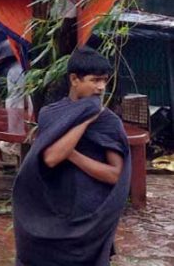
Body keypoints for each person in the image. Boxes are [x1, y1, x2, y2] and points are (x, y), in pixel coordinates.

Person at [12, 46, 131, 266]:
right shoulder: (51, 113)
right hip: (52, 209)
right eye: (95, 80)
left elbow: (115, 174)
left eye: (104, 80)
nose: (101, 87)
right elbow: (50, 159)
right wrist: (85, 120)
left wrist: (72, 154)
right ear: (74, 79)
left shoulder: (108, 121)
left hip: (89, 216)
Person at [0, 60, 33, 162]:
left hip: (15, 104)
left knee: (18, 132)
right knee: (17, 133)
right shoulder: (18, 70)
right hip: (17, 105)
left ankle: (18, 154)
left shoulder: (15, 68)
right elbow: (23, 89)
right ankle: (9, 148)